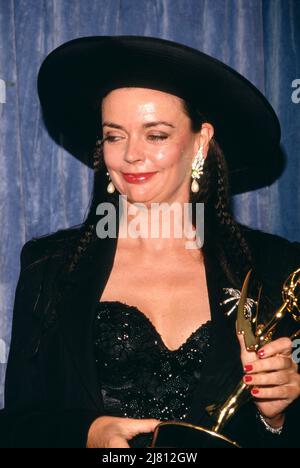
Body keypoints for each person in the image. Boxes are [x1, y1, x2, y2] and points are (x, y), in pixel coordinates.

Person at [0, 36, 299, 449]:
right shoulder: (50, 267)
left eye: (155, 135)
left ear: (200, 140)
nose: (131, 155)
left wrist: (277, 416)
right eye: (114, 136)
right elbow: (17, 425)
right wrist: (86, 434)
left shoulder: (273, 268)